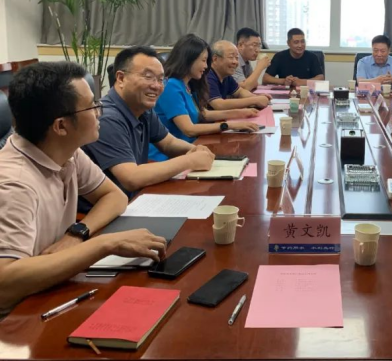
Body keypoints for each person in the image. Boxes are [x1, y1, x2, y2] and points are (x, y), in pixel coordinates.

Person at [0, 62, 167, 316]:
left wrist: (77, 234)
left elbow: (114, 196)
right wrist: (104, 244)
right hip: (20, 317)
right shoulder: (14, 184)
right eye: (92, 106)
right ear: (61, 126)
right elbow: (5, 284)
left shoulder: (67, 152)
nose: (100, 112)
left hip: (52, 288)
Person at [83, 46, 216, 201]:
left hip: (135, 199)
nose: (156, 86)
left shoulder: (142, 109)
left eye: (160, 79)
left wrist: (195, 150)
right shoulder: (107, 118)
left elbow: (168, 143)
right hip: (106, 209)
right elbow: (131, 178)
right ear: (121, 78)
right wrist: (190, 160)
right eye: (148, 77)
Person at [149, 34, 260, 161]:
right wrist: (228, 125)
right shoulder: (171, 86)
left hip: (191, 147)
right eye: (203, 61)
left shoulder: (188, 84)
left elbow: (204, 114)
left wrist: (240, 113)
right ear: (189, 59)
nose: (206, 66)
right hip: (166, 156)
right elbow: (189, 129)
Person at [208, 41, 270, 111]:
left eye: (237, 58)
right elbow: (219, 104)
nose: (235, 62)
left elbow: (240, 92)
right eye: (231, 57)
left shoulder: (226, 76)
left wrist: (257, 97)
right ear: (215, 59)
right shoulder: (208, 75)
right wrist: (254, 100)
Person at [233, 27, 271, 92]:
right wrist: (259, 67)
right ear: (241, 45)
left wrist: (249, 83)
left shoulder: (246, 61)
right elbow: (245, 88)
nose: (257, 50)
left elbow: (254, 83)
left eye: (259, 46)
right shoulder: (234, 61)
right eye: (254, 45)